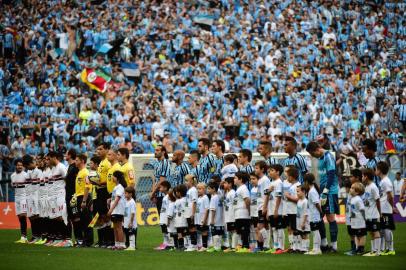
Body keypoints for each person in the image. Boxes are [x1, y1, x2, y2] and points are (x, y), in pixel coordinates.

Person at [306, 141, 339, 252]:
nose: (312, 156)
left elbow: (331, 175)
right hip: (322, 190)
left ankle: (334, 246)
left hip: (330, 191)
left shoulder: (328, 156)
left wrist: (325, 191)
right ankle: (324, 244)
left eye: (312, 153)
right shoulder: (320, 159)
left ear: (317, 149)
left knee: (330, 218)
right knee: (319, 216)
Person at [71, 153, 93, 247]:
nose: (75, 162)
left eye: (77, 160)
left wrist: (84, 200)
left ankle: (88, 241)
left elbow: (88, 187)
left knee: (87, 220)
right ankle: (85, 240)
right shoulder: (80, 172)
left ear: (82, 161)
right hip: (80, 197)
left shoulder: (85, 172)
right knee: (83, 220)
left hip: (85, 198)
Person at [48, 151, 68, 246]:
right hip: (54, 195)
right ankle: (59, 238)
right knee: (56, 217)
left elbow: (67, 180)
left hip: (61, 194)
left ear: (54, 157)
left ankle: (66, 239)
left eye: (49, 158)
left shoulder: (61, 167)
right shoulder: (53, 169)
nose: (48, 160)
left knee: (61, 216)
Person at [376, 161, 396, 256]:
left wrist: (392, 207)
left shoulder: (386, 181)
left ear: (380, 170)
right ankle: (386, 248)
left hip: (386, 209)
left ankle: (391, 249)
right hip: (383, 209)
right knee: (383, 229)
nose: (375, 170)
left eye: (376, 169)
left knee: (387, 229)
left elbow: (390, 196)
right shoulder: (382, 181)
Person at [22, 155, 42, 243]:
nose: (27, 168)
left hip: (38, 196)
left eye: (27, 166)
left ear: (30, 163)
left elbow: (41, 186)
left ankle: (40, 235)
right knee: (32, 216)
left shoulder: (39, 172)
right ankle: (35, 235)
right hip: (31, 197)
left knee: (38, 216)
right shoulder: (30, 172)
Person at [361, 168, 381, 256]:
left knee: (375, 231)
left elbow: (377, 200)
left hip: (374, 215)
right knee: (371, 232)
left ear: (366, 177)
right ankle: (373, 251)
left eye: (362, 176)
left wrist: (379, 213)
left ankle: (378, 251)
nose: (361, 177)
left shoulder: (373, 187)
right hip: (368, 215)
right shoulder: (366, 187)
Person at [95, 143, 112, 247]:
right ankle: (103, 240)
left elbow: (109, 179)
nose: (98, 151)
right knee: (101, 216)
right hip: (99, 191)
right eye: (97, 149)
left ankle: (109, 240)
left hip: (105, 191)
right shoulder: (101, 162)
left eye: (100, 149)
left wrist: (98, 182)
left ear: (106, 150)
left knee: (107, 216)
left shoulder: (107, 163)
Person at [107, 171, 127, 250]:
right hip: (115, 210)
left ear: (117, 178)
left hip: (118, 210)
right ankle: (117, 243)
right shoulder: (116, 187)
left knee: (119, 227)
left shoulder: (120, 187)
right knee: (115, 227)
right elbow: (114, 198)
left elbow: (117, 199)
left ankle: (122, 244)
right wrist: (109, 200)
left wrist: (111, 209)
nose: (112, 178)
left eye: (113, 176)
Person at [344, 169, 362, 256]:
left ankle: (357, 249)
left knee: (355, 233)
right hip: (349, 214)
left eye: (351, 176)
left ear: (357, 177)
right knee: (351, 232)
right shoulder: (352, 188)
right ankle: (353, 248)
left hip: (355, 215)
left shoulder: (359, 188)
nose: (350, 178)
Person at [254, 160, 271, 252]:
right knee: (263, 226)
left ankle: (267, 244)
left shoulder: (265, 180)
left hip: (263, 206)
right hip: (260, 206)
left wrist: (265, 207)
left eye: (257, 168)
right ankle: (263, 246)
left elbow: (267, 194)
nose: (255, 170)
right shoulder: (260, 180)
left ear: (262, 169)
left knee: (260, 226)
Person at [303, 173, 322, 255]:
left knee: (316, 232)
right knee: (315, 232)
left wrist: (321, 212)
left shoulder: (312, 191)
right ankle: (315, 248)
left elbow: (316, 203)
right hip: (313, 215)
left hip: (314, 215)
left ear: (307, 182)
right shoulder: (311, 191)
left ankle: (317, 249)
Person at [283, 166, 301, 252]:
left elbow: (298, 199)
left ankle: (298, 247)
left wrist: (288, 196)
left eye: (288, 175)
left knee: (295, 229)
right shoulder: (292, 186)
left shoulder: (297, 186)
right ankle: (293, 247)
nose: (287, 177)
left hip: (294, 211)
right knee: (291, 228)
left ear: (292, 177)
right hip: (289, 211)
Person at [267, 164, 284, 254]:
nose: (270, 172)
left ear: (278, 172)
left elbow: (279, 197)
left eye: (272, 170)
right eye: (269, 171)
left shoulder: (279, 182)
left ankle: (281, 247)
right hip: (271, 209)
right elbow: (267, 194)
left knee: (279, 228)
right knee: (273, 228)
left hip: (277, 210)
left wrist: (276, 210)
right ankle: (276, 246)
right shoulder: (271, 183)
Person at [11, 158, 28, 243]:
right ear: (15, 166)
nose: (20, 166)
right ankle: (23, 236)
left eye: (21, 165)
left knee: (23, 216)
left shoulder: (26, 175)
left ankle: (24, 237)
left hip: (23, 197)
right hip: (16, 197)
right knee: (19, 217)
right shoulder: (12, 176)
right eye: (18, 165)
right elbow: (13, 186)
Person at [233, 172, 251, 253]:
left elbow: (247, 199)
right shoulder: (239, 189)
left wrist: (248, 210)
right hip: (238, 213)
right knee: (239, 230)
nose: (234, 179)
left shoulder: (243, 188)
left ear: (240, 180)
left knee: (244, 230)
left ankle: (246, 246)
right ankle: (241, 246)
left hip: (243, 213)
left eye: (235, 178)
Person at [150, 145, 171, 213]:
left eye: (157, 150)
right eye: (155, 150)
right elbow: (155, 180)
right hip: (157, 194)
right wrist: (154, 195)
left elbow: (162, 181)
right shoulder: (157, 163)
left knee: (164, 218)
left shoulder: (165, 163)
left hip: (163, 195)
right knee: (161, 218)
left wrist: (153, 194)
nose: (155, 152)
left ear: (163, 152)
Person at [64, 149, 79, 246]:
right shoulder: (69, 167)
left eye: (66, 154)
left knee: (75, 218)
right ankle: (69, 239)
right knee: (69, 218)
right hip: (68, 195)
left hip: (73, 196)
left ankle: (78, 239)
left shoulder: (75, 168)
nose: (65, 155)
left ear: (70, 155)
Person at [349, 182, 367, 255]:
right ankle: (357, 247)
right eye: (351, 187)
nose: (350, 189)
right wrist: (351, 217)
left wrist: (364, 218)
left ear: (357, 192)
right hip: (354, 221)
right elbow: (352, 210)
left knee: (362, 235)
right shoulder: (352, 199)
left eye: (352, 188)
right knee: (356, 235)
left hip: (360, 221)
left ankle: (361, 248)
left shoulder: (358, 199)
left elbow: (362, 209)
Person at [207, 181, 224, 253]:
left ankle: (216, 247)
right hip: (220, 219)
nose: (208, 190)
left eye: (209, 189)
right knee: (219, 233)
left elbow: (213, 210)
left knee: (215, 233)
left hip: (215, 219)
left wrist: (212, 220)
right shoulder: (219, 197)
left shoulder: (214, 198)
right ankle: (219, 246)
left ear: (214, 189)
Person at [156, 180, 171, 251]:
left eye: (161, 187)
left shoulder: (169, 197)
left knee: (167, 230)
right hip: (163, 216)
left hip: (166, 217)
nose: (159, 189)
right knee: (164, 230)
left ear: (165, 188)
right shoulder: (165, 197)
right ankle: (165, 243)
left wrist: (168, 216)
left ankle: (169, 244)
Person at [184, 174, 198, 251]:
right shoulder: (189, 190)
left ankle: (193, 244)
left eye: (187, 181)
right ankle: (191, 244)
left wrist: (193, 213)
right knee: (190, 228)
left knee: (192, 228)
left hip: (191, 212)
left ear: (191, 181)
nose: (185, 182)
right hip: (188, 212)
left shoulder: (193, 190)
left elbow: (194, 202)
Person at [222, 177, 237, 252]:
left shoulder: (233, 193)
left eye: (225, 183)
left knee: (233, 230)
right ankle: (230, 246)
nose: (224, 184)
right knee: (230, 231)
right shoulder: (227, 193)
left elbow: (235, 204)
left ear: (230, 184)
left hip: (232, 215)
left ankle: (234, 247)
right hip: (228, 215)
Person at [195, 183, 209, 251]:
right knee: (200, 232)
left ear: (204, 190)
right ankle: (201, 245)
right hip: (198, 218)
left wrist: (205, 219)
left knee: (204, 231)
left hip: (203, 218)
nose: (198, 190)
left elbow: (207, 209)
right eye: (197, 189)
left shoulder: (205, 198)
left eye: (200, 189)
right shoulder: (199, 198)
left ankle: (205, 246)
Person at [296, 185, 310, 253]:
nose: (297, 193)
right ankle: (302, 247)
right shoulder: (299, 201)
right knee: (301, 234)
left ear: (303, 192)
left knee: (305, 235)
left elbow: (306, 213)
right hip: (299, 221)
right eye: (296, 191)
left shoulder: (305, 201)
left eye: (298, 191)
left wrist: (303, 223)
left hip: (304, 222)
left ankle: (305, 248)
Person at [174, 184, 188, 250]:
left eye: (176, 192)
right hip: (180, 218)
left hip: (180, 218)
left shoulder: (179, 201)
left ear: (179, 192)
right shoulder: (185, 200)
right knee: (182, 232)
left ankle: (182, 245)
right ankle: (183, 245)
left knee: (180, 232)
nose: (176, 193)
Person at [123, 186, 137, 251]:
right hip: (126, 221)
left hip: (130, 222)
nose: (125, 194)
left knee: (131, 233)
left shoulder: (132, 202)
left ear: (130, 194)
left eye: (126, 193)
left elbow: (133, 213)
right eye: (125, 193)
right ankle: (128, 245)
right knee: (127, 233)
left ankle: (132, 246)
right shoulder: (125, 201)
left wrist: (131, 222)